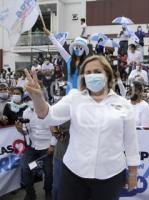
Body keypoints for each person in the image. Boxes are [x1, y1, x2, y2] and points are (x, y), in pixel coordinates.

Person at [24, 55, 139, 200]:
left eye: (97, 71)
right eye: (88, 73)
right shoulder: (74, 98)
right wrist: (37, 98)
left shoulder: (124, 104)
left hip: (111, 174)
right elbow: (48, 116)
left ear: (107, 74)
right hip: (74, 173)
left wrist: (133, 173)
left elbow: (131, 142)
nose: (92, 76)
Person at [15, 95, 56, 200]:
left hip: (47, 147)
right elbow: (26, 131)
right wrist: (19, 129)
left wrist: (52, 145)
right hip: (32, 147)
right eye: (27, 100)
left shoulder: (49, 110)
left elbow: (55, 131)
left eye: (31, 99)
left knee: (48, 171)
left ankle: (48, 191)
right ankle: (30, 193)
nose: (30, 102)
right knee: (25, 168)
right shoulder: (26, 112)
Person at [44, 28, 89, 94]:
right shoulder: (68, 58)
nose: (78, 49)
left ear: (84, 50)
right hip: (70, 93)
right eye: (76, 47)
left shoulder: (87, 63)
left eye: (81, 47)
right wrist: (50, 35)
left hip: (82, 94)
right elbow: (59, 47)